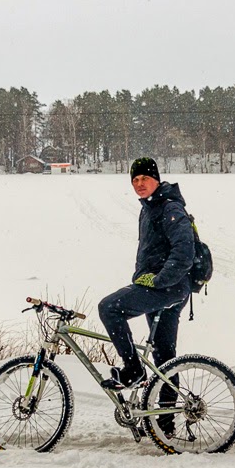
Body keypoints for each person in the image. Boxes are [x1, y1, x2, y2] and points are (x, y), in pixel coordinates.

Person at [98, 157, 194, 399]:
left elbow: (184, 252)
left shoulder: (169, 208)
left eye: (145, 178)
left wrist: (159, 280)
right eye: (135, 179)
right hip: (169, 287)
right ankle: (166, 424)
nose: (140, 183)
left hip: (168, 287)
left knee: (109, 308)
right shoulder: (150, 208)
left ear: (156, 180)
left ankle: (133, 369)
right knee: (164, 359)